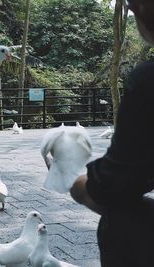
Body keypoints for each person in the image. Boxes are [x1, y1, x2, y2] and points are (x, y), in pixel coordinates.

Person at [70, 0, 154, 266]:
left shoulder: (147, 82)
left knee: (120, 216)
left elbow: (114, 185)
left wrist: (75, 183)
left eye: (135, 2)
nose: (129, 8)